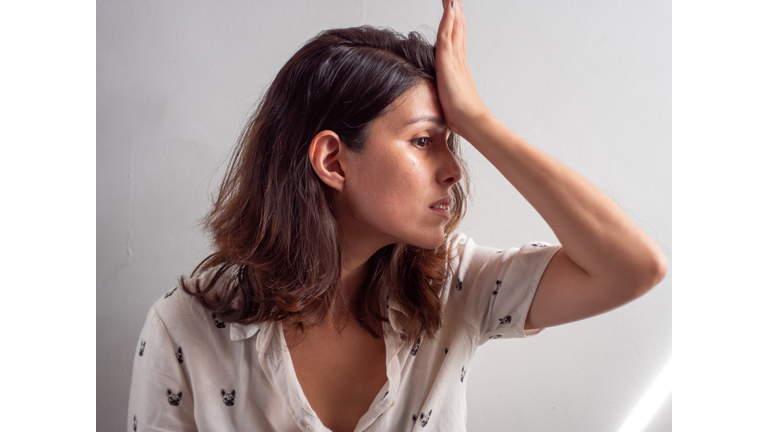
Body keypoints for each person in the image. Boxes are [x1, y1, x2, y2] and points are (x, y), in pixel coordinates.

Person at [127, 1, 667, 431]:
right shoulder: (185, 333)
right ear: (333, 160)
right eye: (424, 140)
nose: (454, 168)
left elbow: (633, 267)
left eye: (452, 141)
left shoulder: (455, 287)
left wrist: (478, 119)